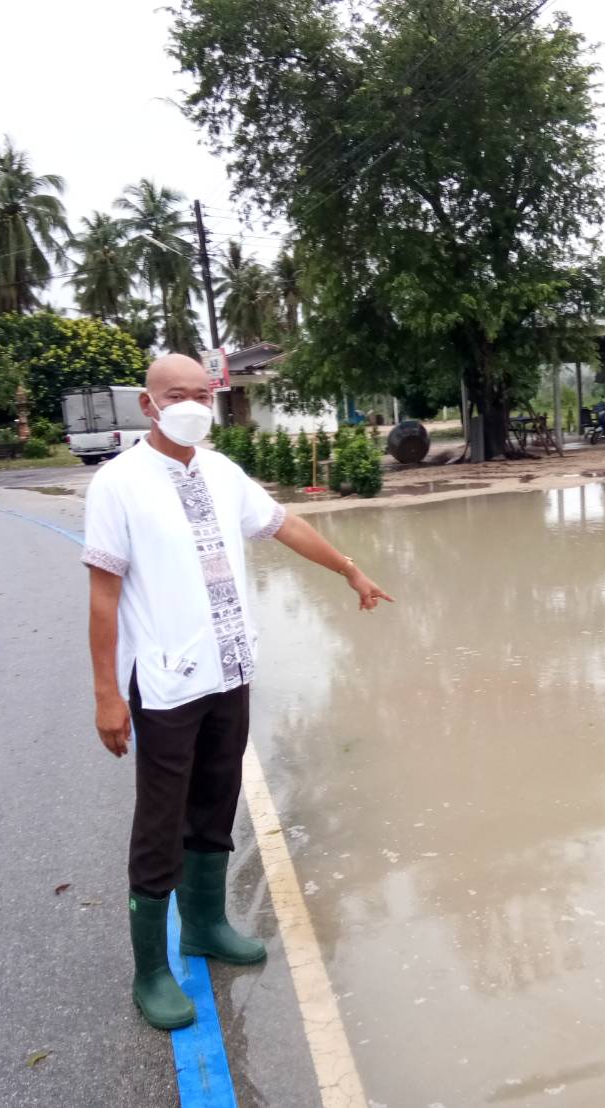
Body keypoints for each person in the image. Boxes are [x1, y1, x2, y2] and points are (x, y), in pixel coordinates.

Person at [82, 353, 393, 1030]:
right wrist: (108, 694)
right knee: (160, 821)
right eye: (176, 394)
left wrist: (348, 569)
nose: (192, 403)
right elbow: (103, 596)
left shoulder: (222, 472)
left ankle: (204, 924)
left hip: (229, 670)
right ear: (148, 403)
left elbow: (285, 526)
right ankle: (151, 970)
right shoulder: (119, 484)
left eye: (202, 392)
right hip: (165, 680)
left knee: (216, 802)